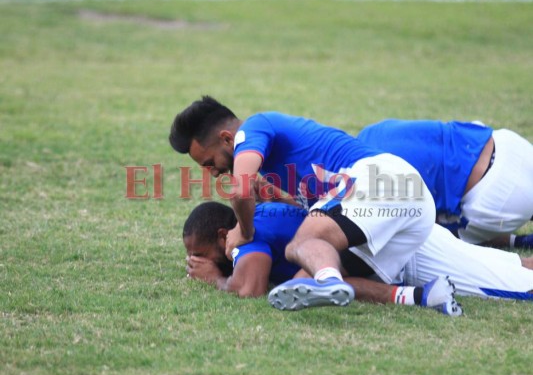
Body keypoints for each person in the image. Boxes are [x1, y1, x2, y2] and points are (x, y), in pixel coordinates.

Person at [169, 96, 446, 311]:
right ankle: (418, 297)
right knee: (296, 285)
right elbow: (304, 203)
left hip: (379, 179)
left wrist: (244, 230)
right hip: (411, 209)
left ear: (228, 139)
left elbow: (240, 190)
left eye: (209, 163)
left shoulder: (253, 128)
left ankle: (329, 280)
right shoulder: (276, 165)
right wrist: (278, 196)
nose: (212, 172)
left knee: (300, 245)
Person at [183, 202, 533, 309]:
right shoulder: (264, 215)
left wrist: (215, 278)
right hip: (396, 237)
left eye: (201, 254)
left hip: (403, 252)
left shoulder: (244, 236)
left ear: (221, 235)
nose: (198, 262)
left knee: (518, 286)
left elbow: (251, 288)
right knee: (510, 266)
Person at [356, 119, 533, 248]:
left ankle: (517, 241)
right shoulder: (370, 131)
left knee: (437, 239)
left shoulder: (366, 179)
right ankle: (519, 241)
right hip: (510, 145)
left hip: (501, 198)